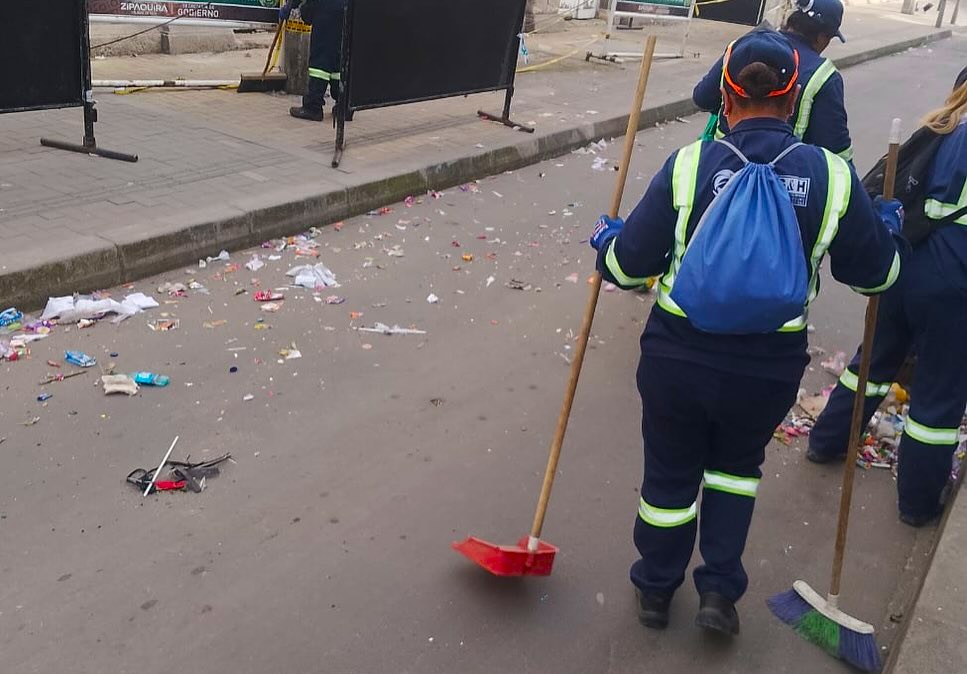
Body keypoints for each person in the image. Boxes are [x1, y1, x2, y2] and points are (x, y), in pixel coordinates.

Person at [590, 31, 901, 636]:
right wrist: (884, 225)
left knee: (668, 480)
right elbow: (877, 277)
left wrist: (607, 239)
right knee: (736, 469)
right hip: (767, 365)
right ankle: (719, 594)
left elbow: (628, 268)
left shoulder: (689, 165)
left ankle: (656, 591)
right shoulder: (832, 177)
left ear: (725, 100)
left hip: (678, 355)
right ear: (792, 102)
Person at [807, 66, 967, 528]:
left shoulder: (939, 127)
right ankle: (917, 504)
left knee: (874, 362)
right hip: (954, 280)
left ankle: (828, 440)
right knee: (937, 400)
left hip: (907, 264)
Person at [693, 0, 853, 161]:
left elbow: (702, 98)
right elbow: (836, 151)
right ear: (822, 36)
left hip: (720, 165)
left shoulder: (743, 47)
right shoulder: (822, 75)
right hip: (783, 177)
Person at [281, 0, 347, 121]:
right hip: (345, 9)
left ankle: (313, 107)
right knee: (338, 58)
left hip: (326, 10)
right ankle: (344, 106)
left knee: (320, 61)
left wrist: (290, 5)